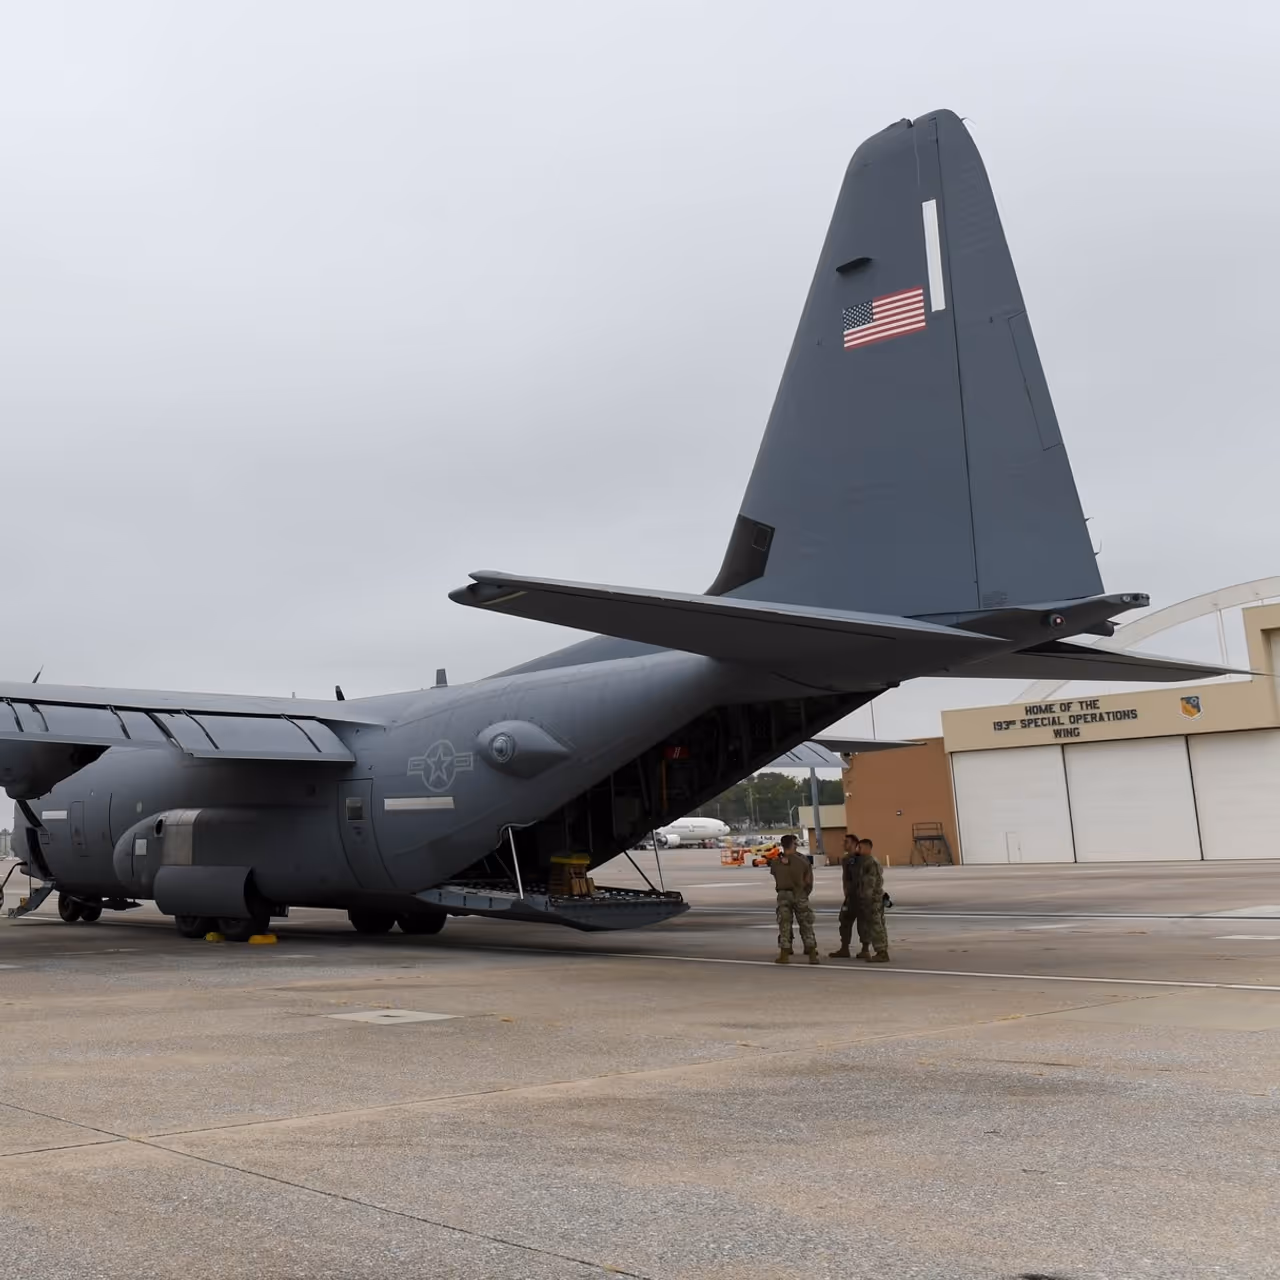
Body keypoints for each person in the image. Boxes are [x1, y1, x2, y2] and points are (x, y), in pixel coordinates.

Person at [830, 836, 889, 962]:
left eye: (846, 842)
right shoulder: (848, 860)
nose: (843, 844)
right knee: (845, 920)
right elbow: (846, 878)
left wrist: (867, 898)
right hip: (853, 896)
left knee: (869, 924)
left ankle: (870, 950)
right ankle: (845, 948)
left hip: (866, 897)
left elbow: (870, 883)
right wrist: (847, 892)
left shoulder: (869, 861)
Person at [768, 833, 818, 964]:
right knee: (806, 924)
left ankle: (784, 953)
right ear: (793, 844)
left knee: (784, 924)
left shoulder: (776, 862)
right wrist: (804, 893)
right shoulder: (802, 861)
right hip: (799, 894)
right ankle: (812, 953)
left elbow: (775, 874)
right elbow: (808, 881)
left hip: (783, 894)